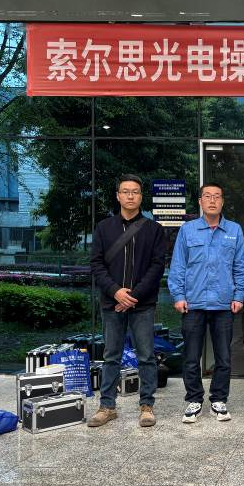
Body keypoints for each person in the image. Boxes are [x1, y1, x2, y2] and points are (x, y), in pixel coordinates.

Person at [88, 174, 166, 428]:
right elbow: (96, 264)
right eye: (125, 191)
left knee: (146, 356)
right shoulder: (104, 228)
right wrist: (116, 292)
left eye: (135, 192)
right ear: (118, 196)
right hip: (112, 303)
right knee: (111, 355)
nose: (130, 196)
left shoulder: (154, 230)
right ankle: (107, 406)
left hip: (142, 304)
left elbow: (157, 266)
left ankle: (147, 405)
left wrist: (133, 296)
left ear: (141, 197)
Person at [168, 182, 244, 423]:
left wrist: (239, 295)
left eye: (217, 196)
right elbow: (178, 265)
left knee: (224, 357)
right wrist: (178, 296)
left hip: (223, 304)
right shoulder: (188, 230)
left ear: (222, 201)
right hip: (193, 304)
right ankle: (194, 399)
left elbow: (240, 267)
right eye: (207, 196)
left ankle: (219, 400)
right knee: (191, 357)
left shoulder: (234, 230)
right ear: (200, 201)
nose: (212, 200)